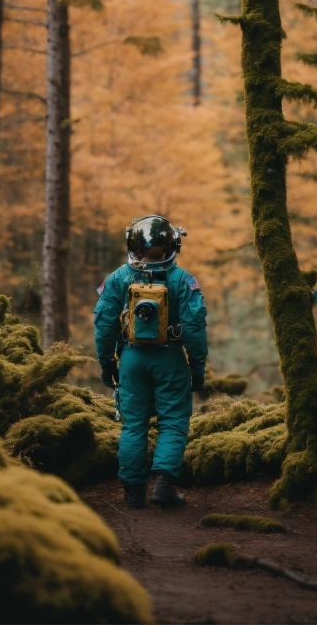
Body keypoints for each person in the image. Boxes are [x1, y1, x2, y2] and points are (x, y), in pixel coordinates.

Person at [94, 215, 208, 509]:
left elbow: (104, 325)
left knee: (133, 425)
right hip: (170, 359)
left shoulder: (119, 277)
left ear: (133, 244)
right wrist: (197, 368)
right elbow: (194, 329)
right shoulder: (183, 281)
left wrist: (107, 364)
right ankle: (163, 486)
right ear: (173, 244)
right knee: (172, 422)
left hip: (132, 359)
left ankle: (133, 494)